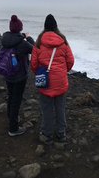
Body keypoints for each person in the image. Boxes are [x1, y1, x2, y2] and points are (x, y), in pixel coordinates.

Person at [30, 14, 74, 144]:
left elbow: (33, 64)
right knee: (60, 108)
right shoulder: (63, 41)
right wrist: (62, 71)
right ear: (56, 26)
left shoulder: (38, 42)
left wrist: (39, 73)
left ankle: (47, 135)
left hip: (45, 81)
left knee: (46, 109)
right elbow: (70, 61)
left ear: (45, 26)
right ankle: (61, 134)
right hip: (60, 81)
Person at [0, 15, 35, 137]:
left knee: (11, 96)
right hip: (20, 76)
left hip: (8, 72)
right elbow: (35, 50)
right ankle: (13, 129)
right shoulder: (22, 44)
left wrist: (23, 37)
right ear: (20, 28)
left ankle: (11, 118)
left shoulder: (5, 39)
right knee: (16, 100)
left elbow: (14, 38)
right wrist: (29, 38)